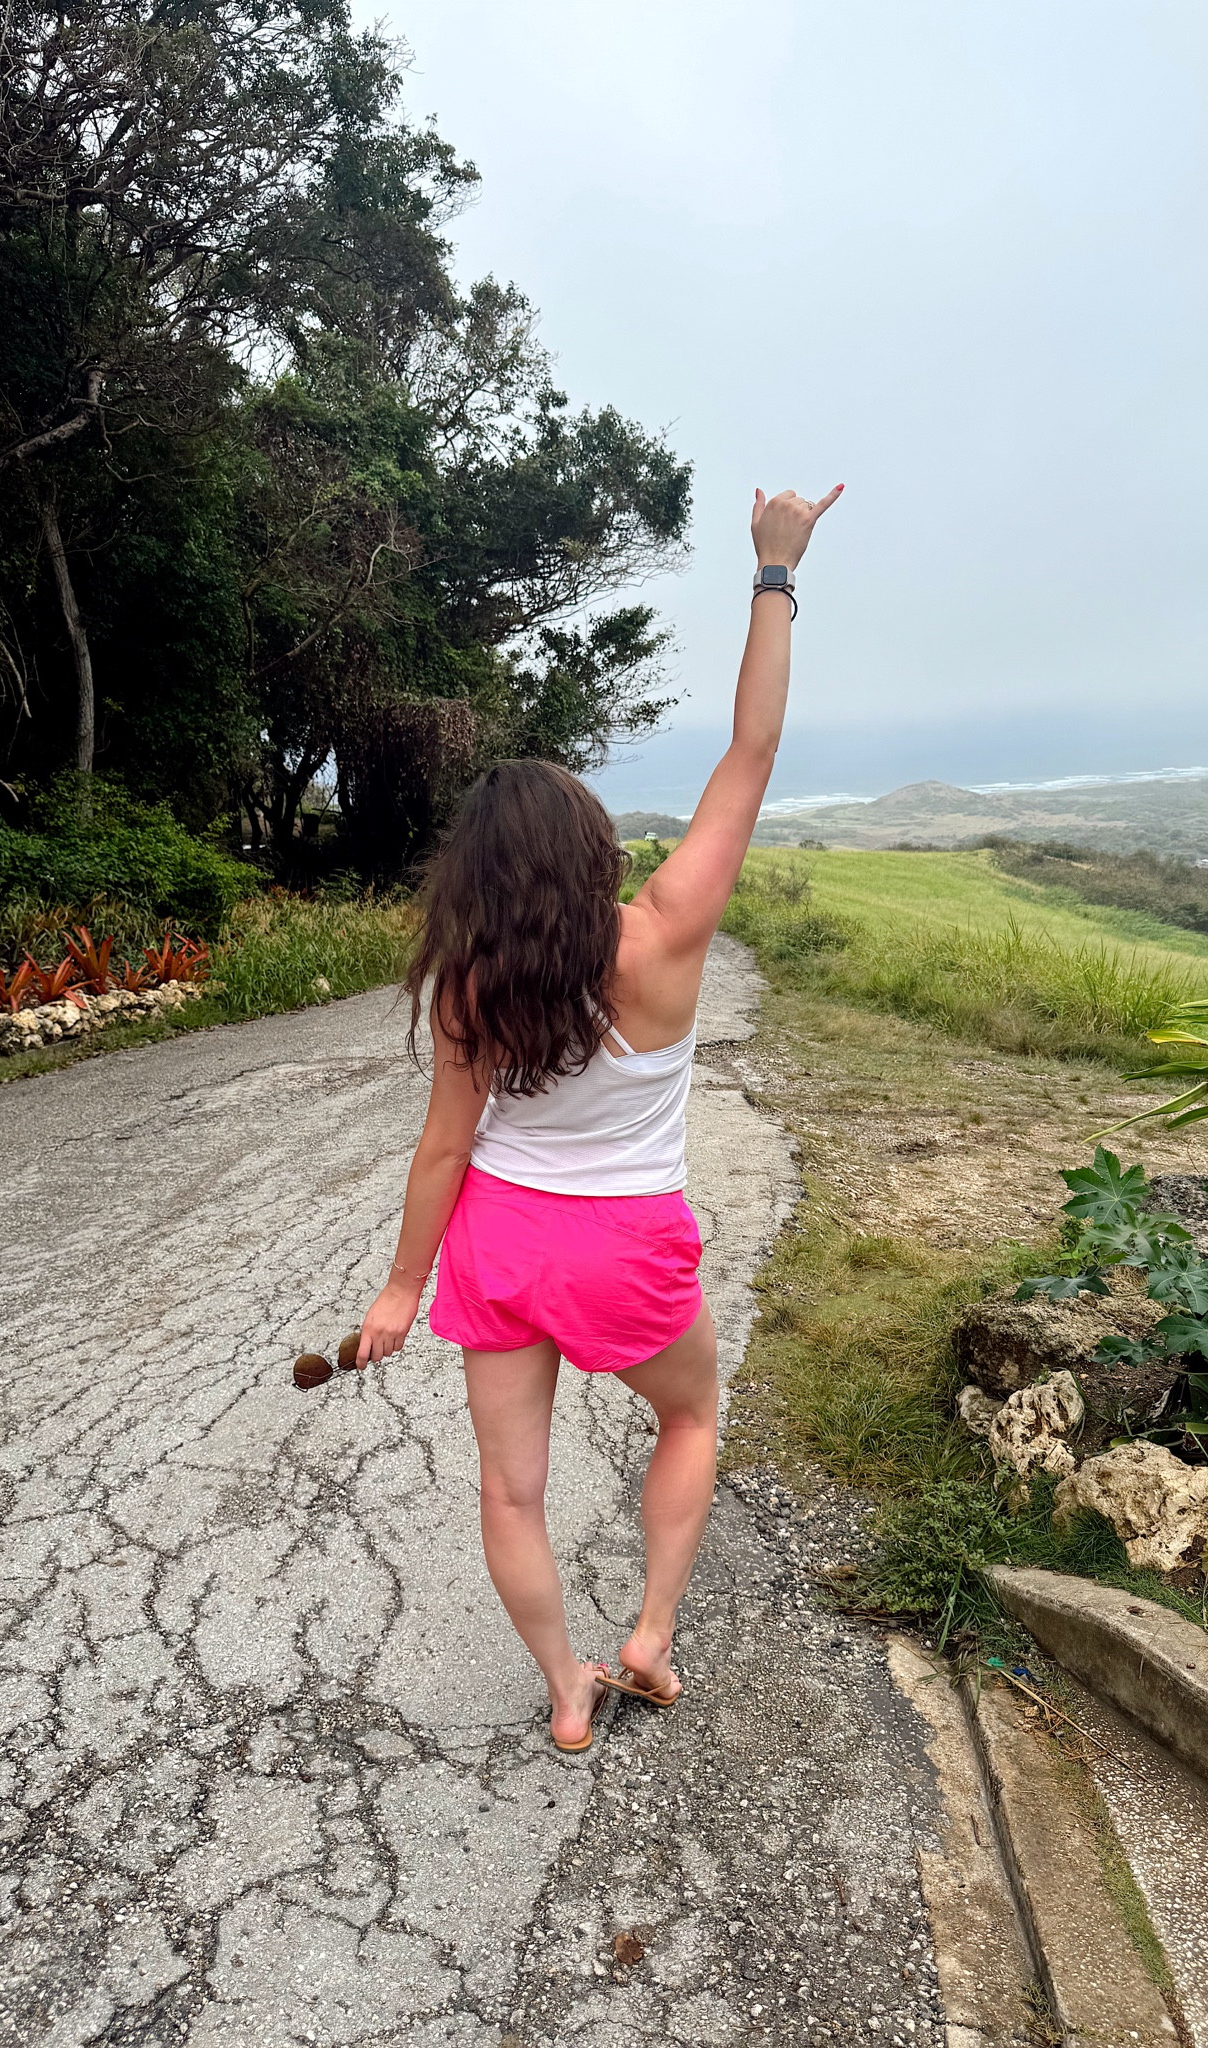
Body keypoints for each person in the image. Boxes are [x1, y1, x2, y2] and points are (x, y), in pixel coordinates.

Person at [357, 483, 843, 1751]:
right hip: (625, 1244)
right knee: (689, 1412)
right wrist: (775, 570)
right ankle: (650, 1636)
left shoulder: (470, 983)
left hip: (502, 1244)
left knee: (510, 1489)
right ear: (591, 843)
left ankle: (566, 1688)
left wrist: (401, 1290)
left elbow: (445, 1148)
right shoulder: (666, 934)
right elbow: (751, 753)